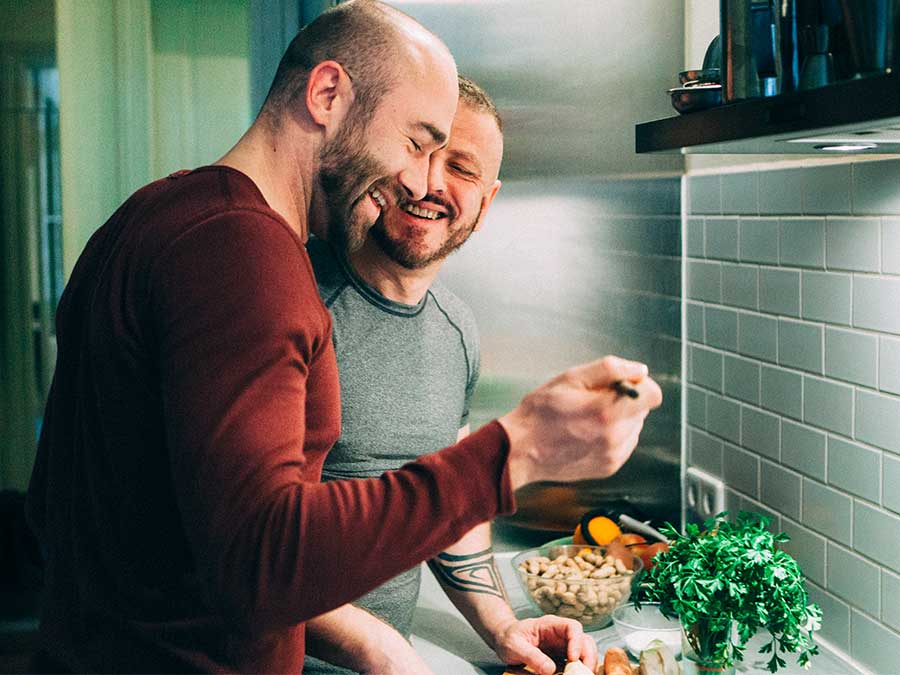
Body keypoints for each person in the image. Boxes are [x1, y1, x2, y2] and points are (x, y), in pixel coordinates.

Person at [25, 1, 662, 673]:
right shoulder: (244, 257)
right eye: (416, 142)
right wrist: (517, 448)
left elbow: (51, 506)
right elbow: (261, 566)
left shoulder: (157, 214)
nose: (414, 179)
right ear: (327, 94)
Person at [303, 75, 597, 675]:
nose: (431, 182)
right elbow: (234, 538)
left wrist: (504, 627)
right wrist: (377, 648)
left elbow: (449, 511)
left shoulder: (456, 330)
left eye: (460, 167)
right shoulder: (295, 303)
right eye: (419, 152)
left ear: (485, 203)